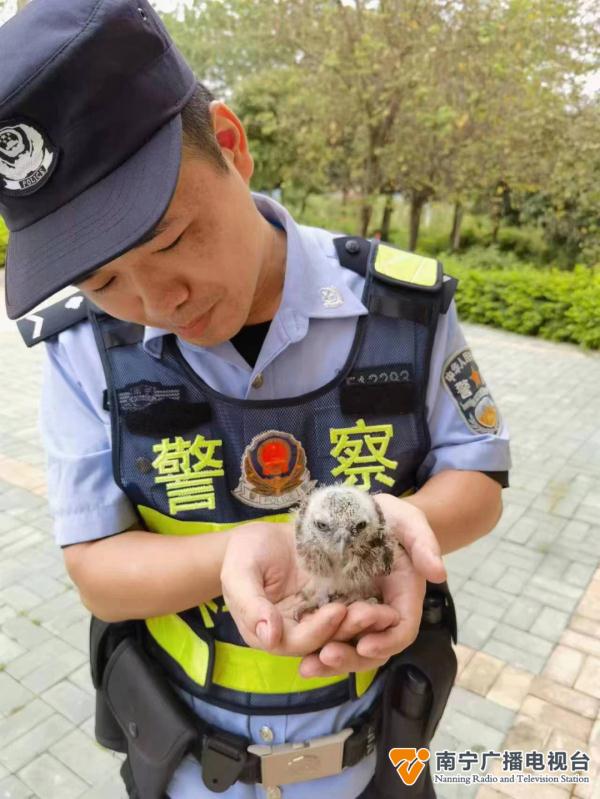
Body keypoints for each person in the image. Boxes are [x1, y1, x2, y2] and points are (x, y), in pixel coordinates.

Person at [1, 1, 510, 797]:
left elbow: (477, 482)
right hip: (186, 761)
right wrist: (252, 548)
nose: (156, 298)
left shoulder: (403, 310)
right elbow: (97, 567)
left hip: (375, 753)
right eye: (100, 279)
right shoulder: (82, 351)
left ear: (231, 146)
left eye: (169, 238)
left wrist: (390, 530)